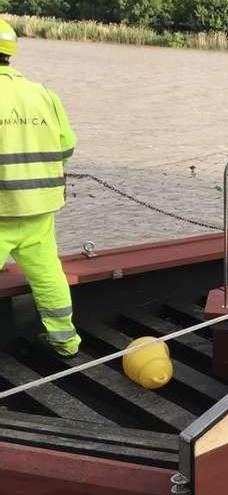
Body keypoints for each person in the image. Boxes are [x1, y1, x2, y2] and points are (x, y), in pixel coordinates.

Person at [0, 19, 81, 357]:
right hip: (39, 209)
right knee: (48, 276)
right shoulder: (43, 94)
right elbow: (66, 147)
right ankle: (66, 343)